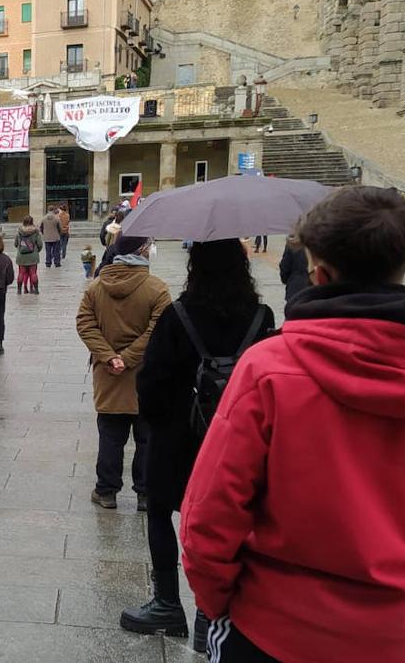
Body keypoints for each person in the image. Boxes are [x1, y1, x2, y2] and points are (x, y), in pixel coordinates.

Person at [180, 186, 405, 663]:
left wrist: (220, 602)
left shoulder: (268, 371)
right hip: (400, 638)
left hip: (272, 627)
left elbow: (210, 515)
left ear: (318, 273)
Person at [121, 240, 274, 648]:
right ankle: (212, 609)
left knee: (159, 512)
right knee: (230, 521)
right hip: (237, 443)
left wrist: (160, 425)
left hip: (176, 438)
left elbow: (150, 384)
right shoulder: (262, 318)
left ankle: (168, 602)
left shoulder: (178, 316)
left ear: (195, 267)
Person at [76, 235, 170, 511]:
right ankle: (145, 493)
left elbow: (85, 323)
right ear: (142, 251)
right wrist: (128, 359)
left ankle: (106, 491)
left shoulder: (96, 288)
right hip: (146, 376)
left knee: (110, 436)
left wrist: (109, 357)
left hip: (109, 375)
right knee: (146, 438)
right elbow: (158, 331)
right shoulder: (157, 289)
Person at [278, 234, 311, 306]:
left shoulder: (293, 243)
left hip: (295, 290)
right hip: (316, 292)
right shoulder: (322, 240)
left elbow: (284, 267)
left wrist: (286, 280)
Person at [14, 216, 43, 294]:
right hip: (33, 255)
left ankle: (19, 290)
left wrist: (21, 248)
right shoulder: (36, 232)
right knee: (33, 273)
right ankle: (36, 289)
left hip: (21, 256)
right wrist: (36, 251)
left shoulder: (19, 232)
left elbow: (16, 244)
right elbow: (40, 244)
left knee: (21, 273)